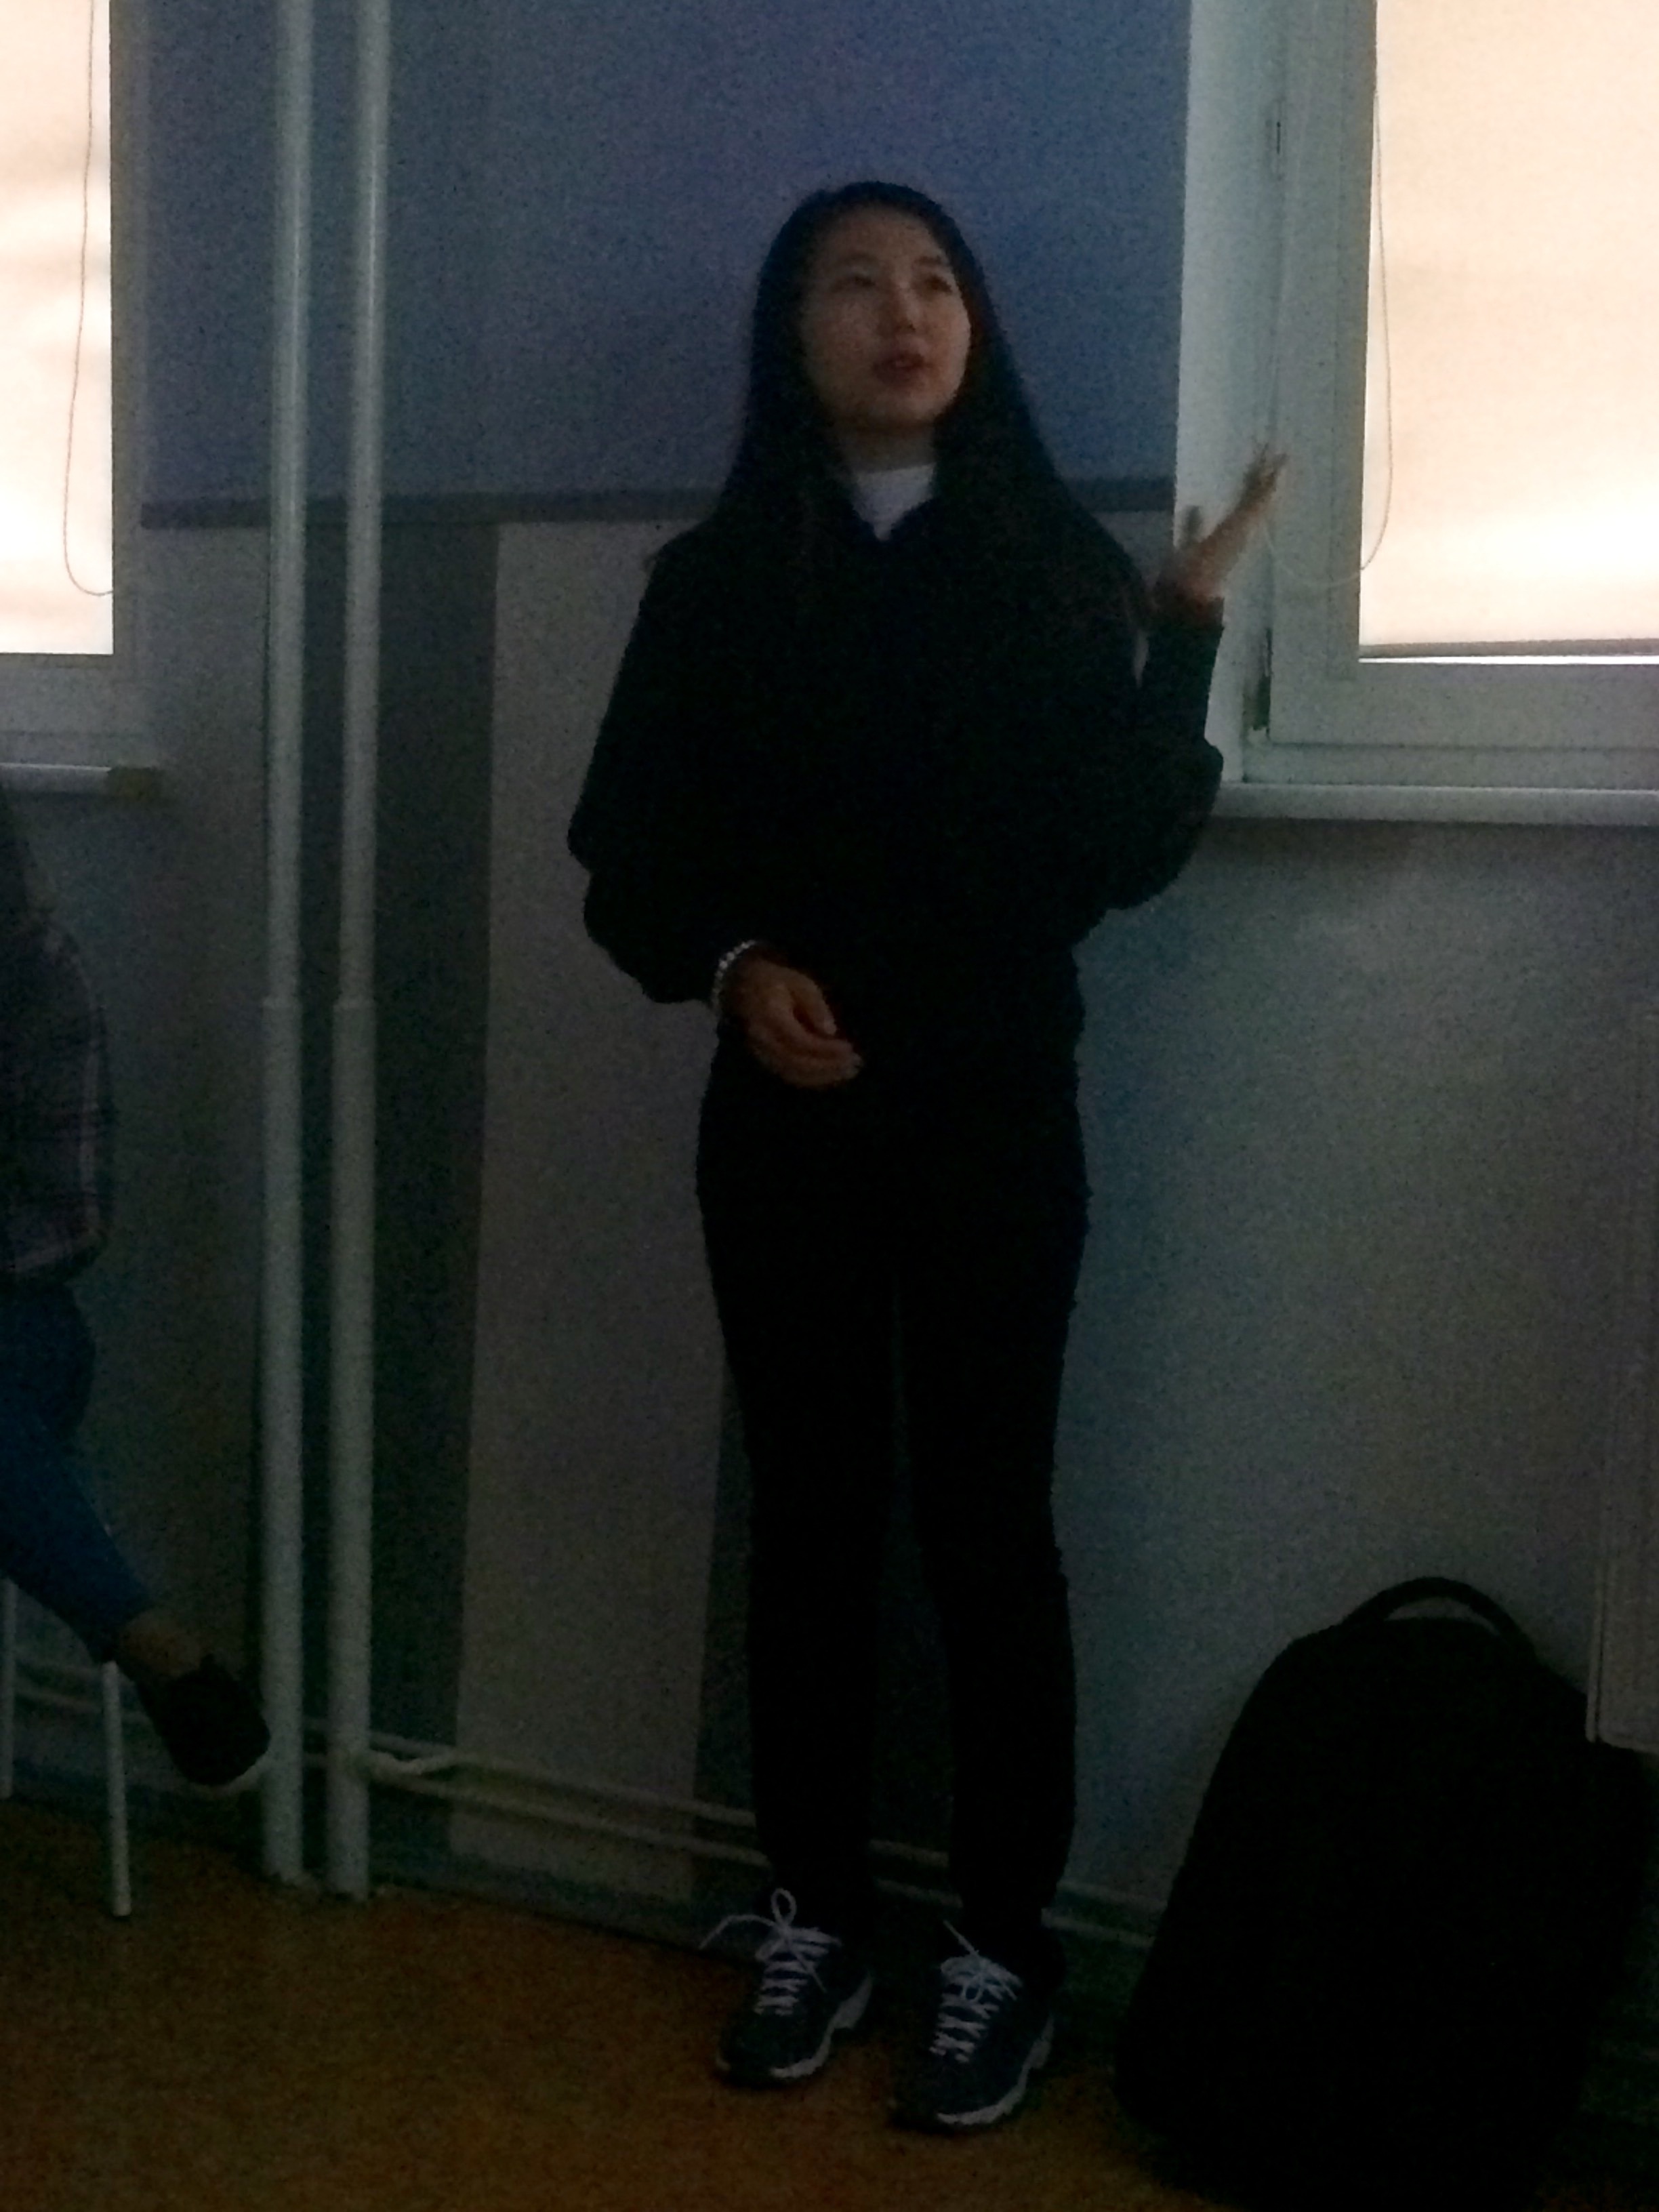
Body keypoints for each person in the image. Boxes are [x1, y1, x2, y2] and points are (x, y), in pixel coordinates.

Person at [568, 180, 1279, 2131]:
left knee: (985, 1527)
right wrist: (734, 968)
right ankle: (814, 1912)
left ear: (976, 329)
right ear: (790, 335)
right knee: (808, 1521)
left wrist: (1184, 633)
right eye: (856, 284)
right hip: (781, 1130)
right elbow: (626, 859)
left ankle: (1004, 1950)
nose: (906, 313)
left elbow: (1122, 853)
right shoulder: (717, 582)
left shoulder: (1049, 568)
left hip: (990, 1121)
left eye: (938, 281)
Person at [0, 793, 268, 1791]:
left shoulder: (33, 974)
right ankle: (150, 1640)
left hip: (15, 1319)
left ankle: (140, 1636)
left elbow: (70, 1222)